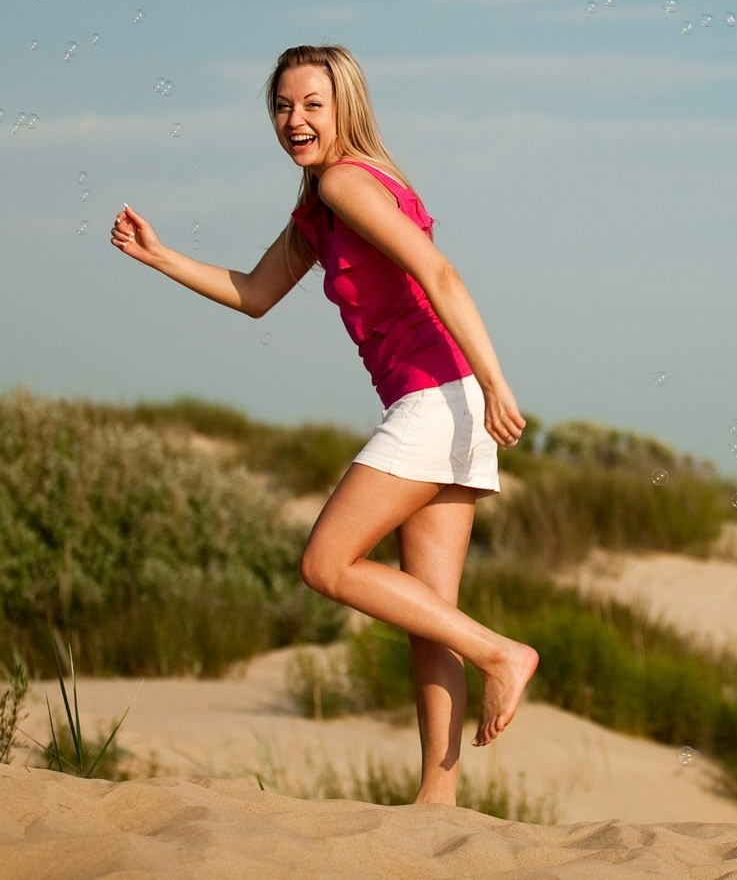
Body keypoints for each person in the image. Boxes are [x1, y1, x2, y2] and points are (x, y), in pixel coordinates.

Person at [109, 42, 539, 804]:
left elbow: (439, 272)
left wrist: (497, 380)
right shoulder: (321, 208)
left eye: (312, 103)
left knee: (326, 563)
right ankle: (437, 805)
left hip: (436, 396)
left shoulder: (344, 182)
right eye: (282, 106)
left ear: (345, 107)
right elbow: (254, 293)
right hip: (449, 399)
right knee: (429, 612)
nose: (295, 119)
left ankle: (501, 653)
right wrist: (160, 256)